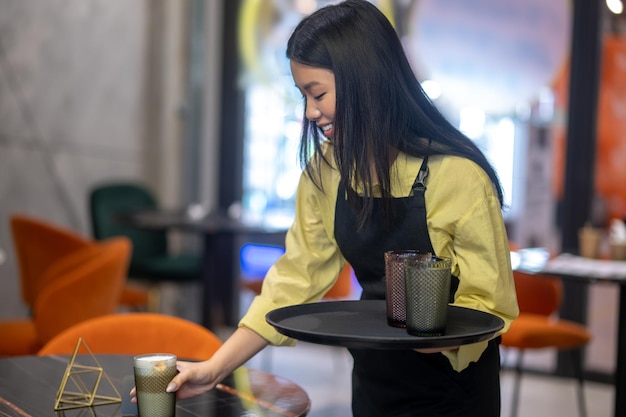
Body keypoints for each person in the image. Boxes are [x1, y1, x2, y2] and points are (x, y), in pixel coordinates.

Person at [136, 1, 519, 416]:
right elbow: (295, 277)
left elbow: (489, 305)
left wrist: (423, 338)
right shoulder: (328, 168)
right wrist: (214, 369)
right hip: (374, 380)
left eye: (317, 94)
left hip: (453, 391)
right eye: (303, 95)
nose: (309, 112)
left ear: (364, 81)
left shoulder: (458, 178)